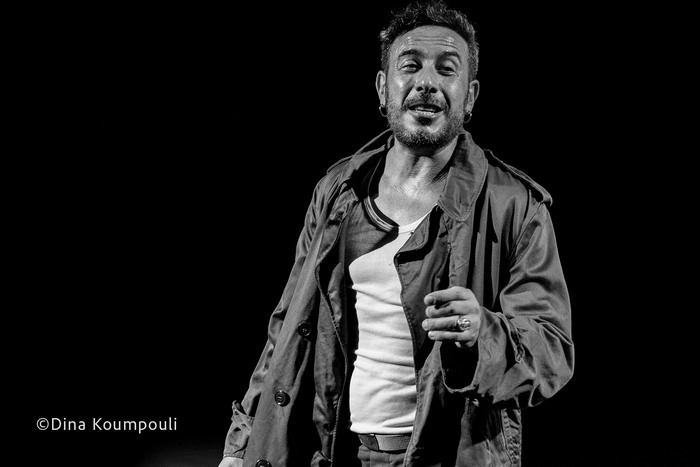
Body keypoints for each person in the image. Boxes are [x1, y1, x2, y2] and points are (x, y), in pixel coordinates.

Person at [219, 1, 573, 465]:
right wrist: (241, 443)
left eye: (447, 69)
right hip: (339, 452)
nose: (427, 82)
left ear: (470, 96)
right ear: (384, 88)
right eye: (411, 66)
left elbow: (552, 350)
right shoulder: (339, 191)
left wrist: (482, 332)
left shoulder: (516, 206)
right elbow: (285, 329)